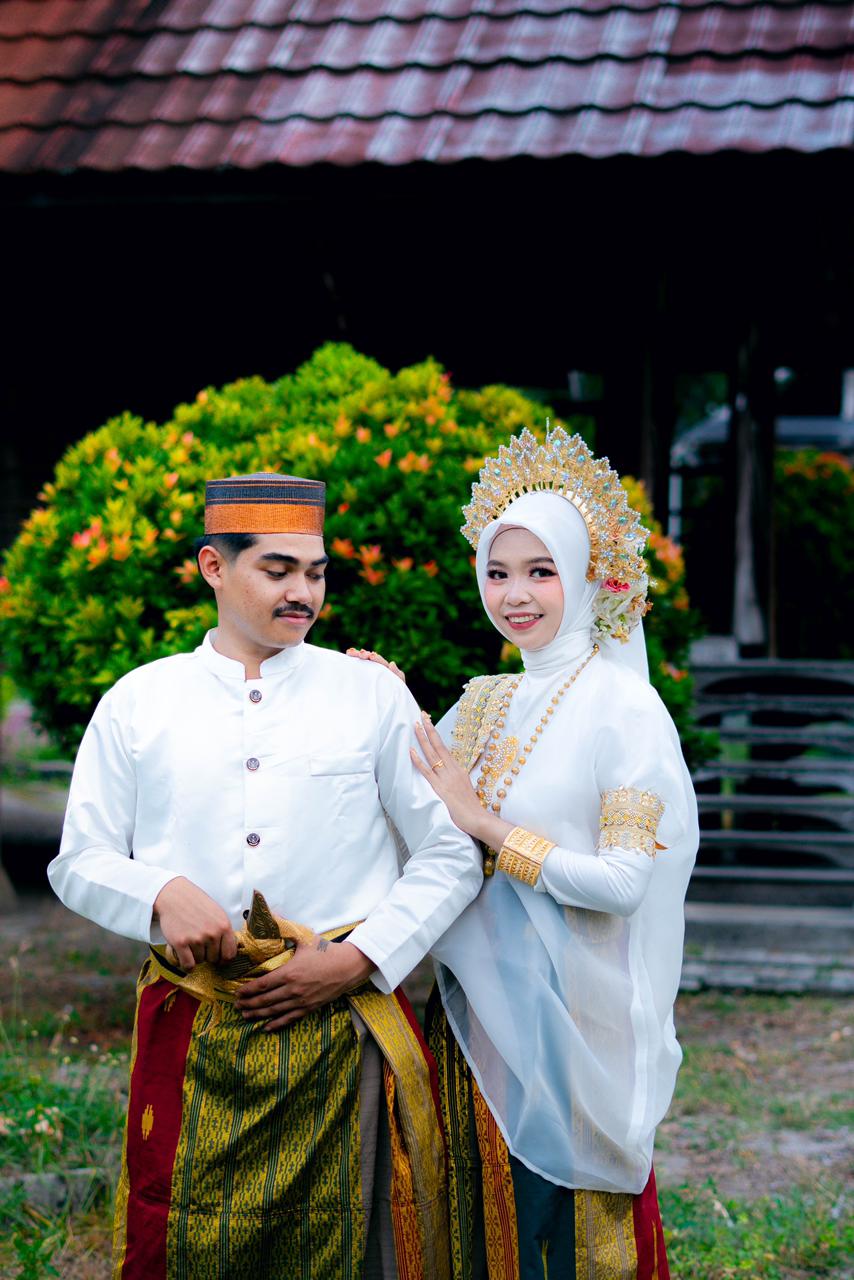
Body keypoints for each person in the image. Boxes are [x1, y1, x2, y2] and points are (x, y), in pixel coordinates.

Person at [48, 471, 483, 1280]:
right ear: (214, 567)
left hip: (343, 1028)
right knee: (180, 1237)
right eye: (278, 571)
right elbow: (79, 859)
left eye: (315, 573)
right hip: (195, 1023)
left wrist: (359, 959)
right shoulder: (140, 702)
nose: (303, 594)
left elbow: (450, 852)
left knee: (355, 1244)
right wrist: (158, 892)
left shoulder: (370, 696)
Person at [355, 427, 699, 1279]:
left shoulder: (625, 710)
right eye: (498, 572)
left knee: (561, 1233)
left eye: (541, 571)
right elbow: (413, 808)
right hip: (474, 1014)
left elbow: (622, 884)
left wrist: (487, 827)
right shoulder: (486, 700)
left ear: (586, 575)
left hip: (574, 1027)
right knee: (480, 1226)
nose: (515, 595)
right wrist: (381, 705)